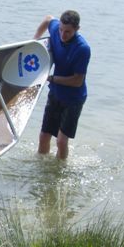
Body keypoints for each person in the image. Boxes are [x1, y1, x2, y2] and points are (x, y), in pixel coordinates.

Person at [33, 10, 91, 160]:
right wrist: (34, 42)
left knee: (61, 141)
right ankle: (41, 167)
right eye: (60, 30)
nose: (62, 35)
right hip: (56, 93)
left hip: (73, 99)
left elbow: (77, 80)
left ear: (77, 29)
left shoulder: (83, 49)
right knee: (44, 136)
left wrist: (51, 79)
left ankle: (60, 171)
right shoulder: (56, 29)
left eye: (68, 32)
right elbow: (47, 19)